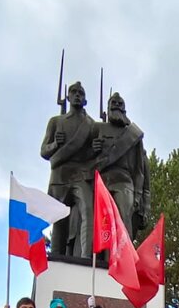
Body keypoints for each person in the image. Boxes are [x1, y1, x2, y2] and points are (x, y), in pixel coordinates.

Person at [41, 80, 96, 258]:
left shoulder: (91, 125)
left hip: (81, 175)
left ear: (85, 100)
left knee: (88, 211)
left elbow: (93, 155)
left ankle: (86, 258)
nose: (77, 95)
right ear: (68, 97)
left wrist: (95, 148)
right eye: (74, 92)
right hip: (60, 176)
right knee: (59, 220)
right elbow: (44, 151)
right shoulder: (56, 122)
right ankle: (56, 258)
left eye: (81, 93)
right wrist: (56, 144)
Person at [94, 91, 149, 238]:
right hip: (100, 181)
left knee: (124, 220)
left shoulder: (133, 135)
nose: (117, 106)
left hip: (124, 182)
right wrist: (93, 150)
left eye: (120, 104)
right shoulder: (97, 128)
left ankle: (124, 251)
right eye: (114, 103)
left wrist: (138, 197)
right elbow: (84, 158)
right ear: (108, 107)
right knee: (97, 224)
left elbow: (140, 171)